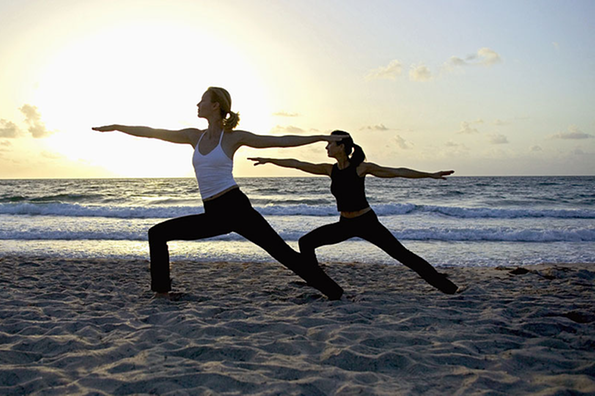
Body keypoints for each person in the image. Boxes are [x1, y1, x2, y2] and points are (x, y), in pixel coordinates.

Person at [92, 87, 343, 300]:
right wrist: (117, 127)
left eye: (202, 100)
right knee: (157, 234)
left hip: (236, 208)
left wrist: (320, 137)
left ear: (214, 106)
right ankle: (161, 293)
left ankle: (335, 293)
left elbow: (279, 140)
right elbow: (152, 131)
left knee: (283, 254)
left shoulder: (233, 138)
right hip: (213, 213)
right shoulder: (194, 136)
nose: (197, 104)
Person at [248, 130, 461, 295]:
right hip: (345, 223)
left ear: (342, 146)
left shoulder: (361, 168)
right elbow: (297, 164)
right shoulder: (329, 169)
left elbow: (397, 172)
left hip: (367, 222)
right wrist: (269, 160)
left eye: (330, 143)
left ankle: (449, 288)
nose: (326, 147)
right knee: (306, 242)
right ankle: (318, 281)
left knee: (404, 256)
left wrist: (430, 175)